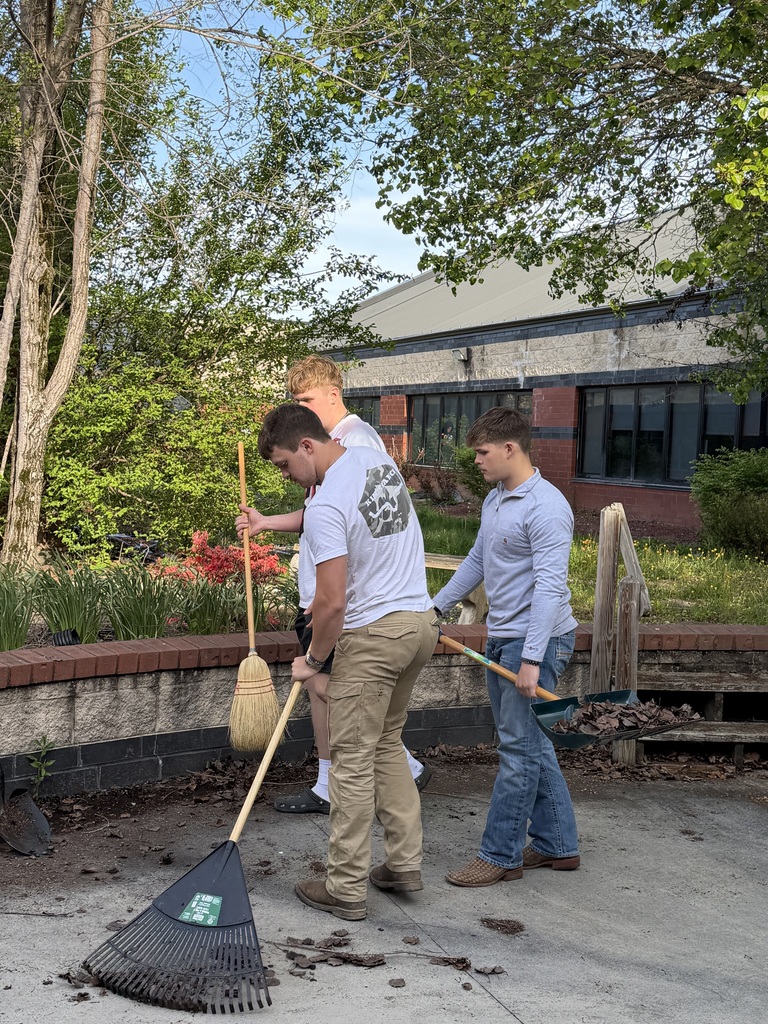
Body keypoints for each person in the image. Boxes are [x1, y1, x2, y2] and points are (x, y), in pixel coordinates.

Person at [256, 403, 438, 920]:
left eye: (286, 464)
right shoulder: (372, 461)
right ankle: (403, 864)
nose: (288, 477)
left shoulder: (326, 503)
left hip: (374, 637)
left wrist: (313, 660)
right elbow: (373, 550)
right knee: (385, 742)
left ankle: (345, 887)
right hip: (419, 624)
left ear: (308, 446)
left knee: (351, 759)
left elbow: (333, 604)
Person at [236, 355, 431, 815]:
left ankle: (341, 795)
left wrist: (320, 641)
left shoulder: (357, 443)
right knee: (353, 715)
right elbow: (326, 517)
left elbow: (368, 523)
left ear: (332, 394)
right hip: (362, 603)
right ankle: (382, 793)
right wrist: (267, 522)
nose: (300, 406)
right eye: (295, 400)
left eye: (306, 399)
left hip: (360, 608)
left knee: (344, 715)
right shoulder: (335, 452)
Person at [432, 406, 581, 886]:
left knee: (517, 751)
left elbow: (550, 589)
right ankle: (558, 844)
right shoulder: (496, 499)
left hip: (536, 642)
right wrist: (434, 609)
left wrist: (533, 659)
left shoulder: (548, 508)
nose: (476, 460)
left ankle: (499, 856)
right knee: (529, 745)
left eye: (482, 452)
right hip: (504, 636)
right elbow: (477, 560)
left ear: (510, 449)